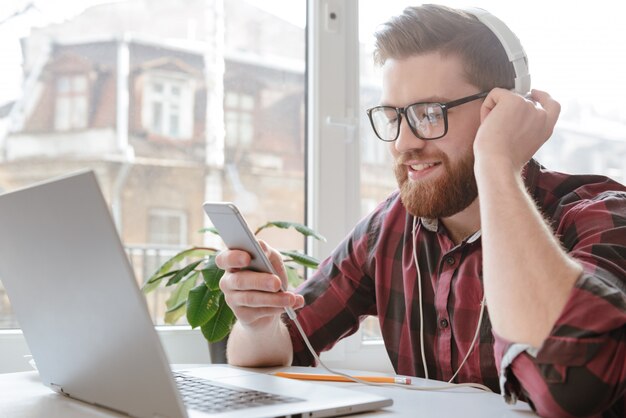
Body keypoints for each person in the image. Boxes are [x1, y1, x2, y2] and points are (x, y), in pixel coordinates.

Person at [215, 4, 626, 417]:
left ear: (502, 111)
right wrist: (259, 322)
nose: (402, 143)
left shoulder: (598, 213)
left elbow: (574, 392)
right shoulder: (388, 227)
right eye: (393, 116)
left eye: (430, 114)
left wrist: (497, 165)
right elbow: (280, 352)